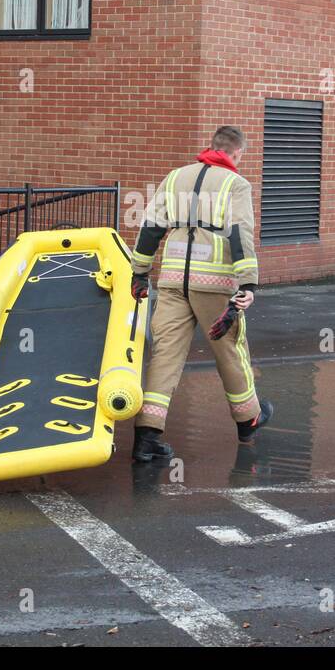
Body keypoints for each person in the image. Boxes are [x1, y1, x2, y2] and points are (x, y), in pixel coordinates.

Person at [128, 126, 273, 462]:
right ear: (236, 153)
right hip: (215, 285)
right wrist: (248, 284)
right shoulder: (235, 184)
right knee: (229, 349)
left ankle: (147, 437)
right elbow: (240, 233)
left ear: (212, 147)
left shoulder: (175, 177)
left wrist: (139, 273)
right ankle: (248, 419)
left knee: (165, 353)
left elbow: (150, 228)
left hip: (173, 281)